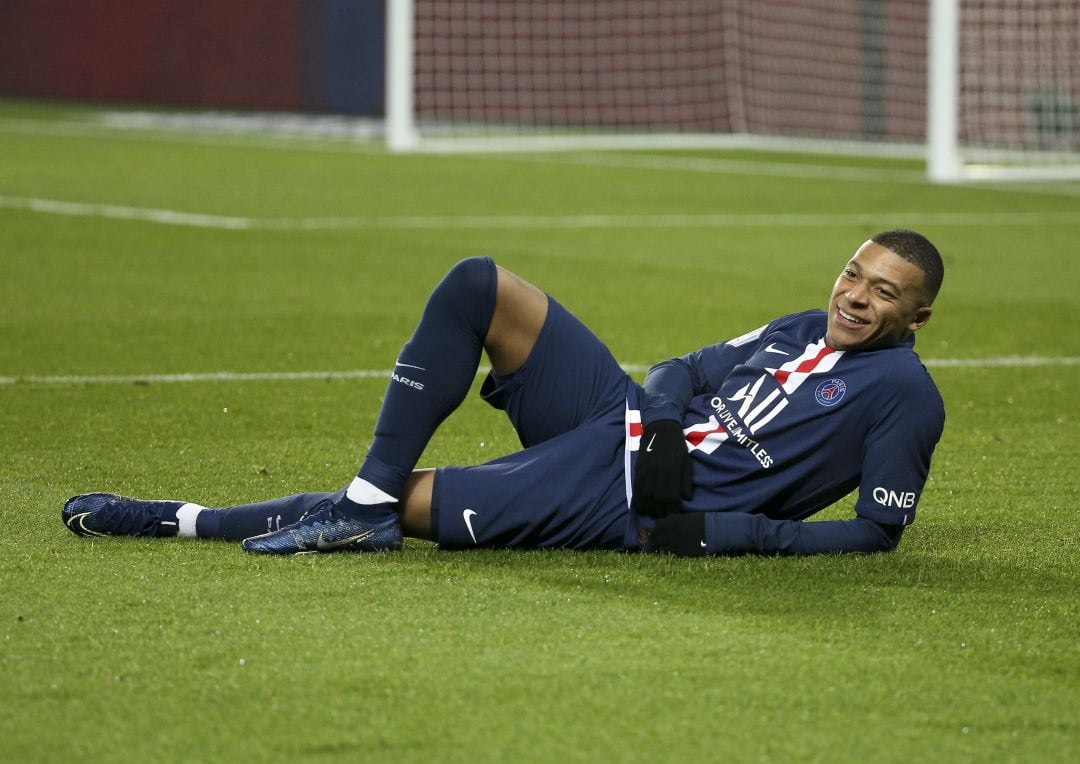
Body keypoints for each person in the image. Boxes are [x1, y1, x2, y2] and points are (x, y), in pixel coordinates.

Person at [62, 229, 945, 557]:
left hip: (628, 499)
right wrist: (665, 428)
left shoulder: (905, 394)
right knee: (479, 283)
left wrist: (717, 530)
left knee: (417, 503)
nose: (854, 297)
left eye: (882, 292)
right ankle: (362, 506)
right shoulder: (799, 324)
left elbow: (876, 531)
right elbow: (683, 369)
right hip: (632, 428)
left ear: (918, 316)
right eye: (852, 273)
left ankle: (178, 518)